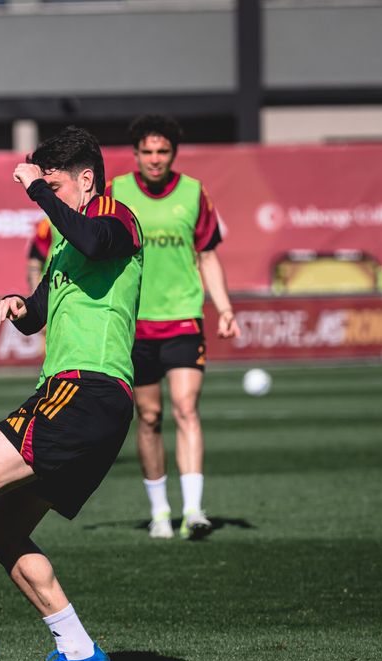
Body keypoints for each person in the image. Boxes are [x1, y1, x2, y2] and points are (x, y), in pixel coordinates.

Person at [0, 127, 142, 661]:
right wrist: (17, 305)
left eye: (57, 184)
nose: (49, 195)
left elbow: (95, 241)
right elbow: (38, 312)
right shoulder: (67, 243)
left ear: (86, 179)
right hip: (83, 398)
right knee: (3, 528)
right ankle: (78, 648)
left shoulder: (115, 216)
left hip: (84, 389)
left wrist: (37, 190)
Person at [109, 115, 240, 540]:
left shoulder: (194, 193)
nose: (155, 159)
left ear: (173, 154)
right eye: (147, 151)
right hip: (136, 324)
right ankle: (160, 512)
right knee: (149, 417)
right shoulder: (116, 192)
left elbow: (208, 255)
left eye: (162, 151)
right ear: (135, 154)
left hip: (183, 318)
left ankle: (195, 510)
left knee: (186, 408)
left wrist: (224, 308)